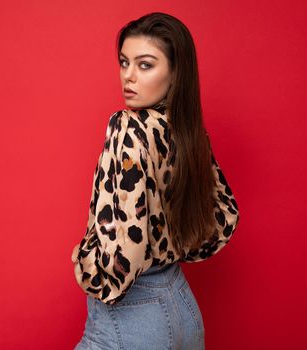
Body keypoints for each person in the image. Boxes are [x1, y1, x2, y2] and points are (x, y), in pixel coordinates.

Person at [71, 12, 240, 350]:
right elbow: (224, 216)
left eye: (145, 65)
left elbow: (128, 246)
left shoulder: (127, 126)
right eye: (124, 63)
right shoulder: (189, 132)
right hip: (183, 307)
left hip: (131, 319)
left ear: (175, 73)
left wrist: (85, 263)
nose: (129, 76)